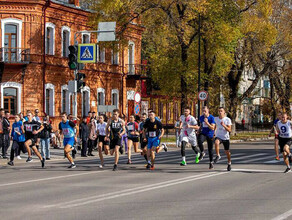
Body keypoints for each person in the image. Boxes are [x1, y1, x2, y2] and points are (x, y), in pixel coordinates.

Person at [214, 107, 232, 171]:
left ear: (224, 112)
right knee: (216, 142)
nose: (220, 112)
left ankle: (229, 163)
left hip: (225, 137)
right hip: (219, 136)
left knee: (227, 152)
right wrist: (214, 131)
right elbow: (214, 125)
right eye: (219, 111)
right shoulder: (216, 119)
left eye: (221, 111)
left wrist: (224, 125)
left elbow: (229, 130)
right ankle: (218, 155)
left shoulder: (227, 120)